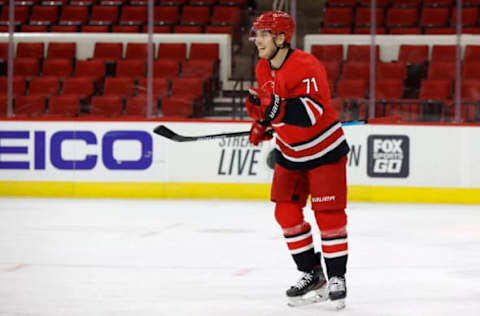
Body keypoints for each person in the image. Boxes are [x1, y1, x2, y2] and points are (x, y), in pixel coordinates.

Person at [245, 10, 350, 309]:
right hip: (291, 154)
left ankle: (337, 277)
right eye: (257, 34)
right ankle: (311, 273)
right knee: (286, 214)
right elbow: (273, 108)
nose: (258, 40)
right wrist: (262, 124)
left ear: (281, 38)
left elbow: (310, 113)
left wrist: (272, 109)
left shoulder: (306, 65)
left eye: (264, 34)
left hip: (324, 152)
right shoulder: (263, 68)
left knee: (328, 216)